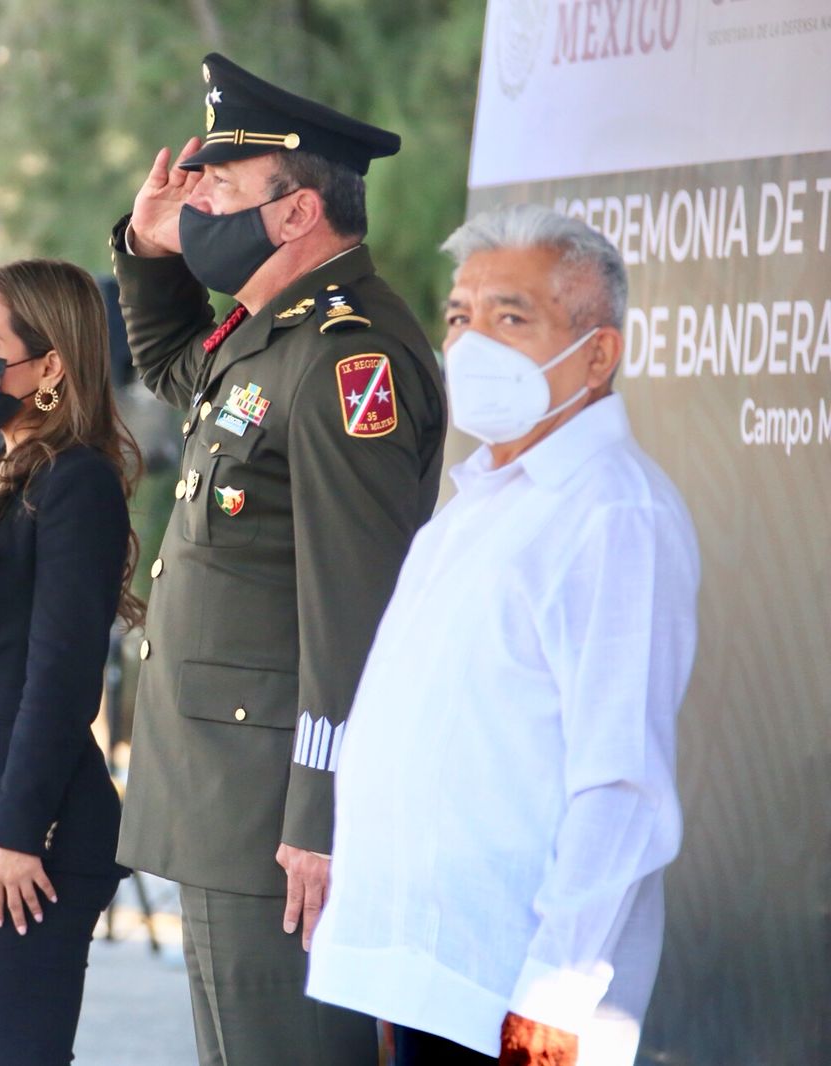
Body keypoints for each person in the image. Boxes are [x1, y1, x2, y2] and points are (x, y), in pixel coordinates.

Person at [111, 53, 447, 1066]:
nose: (196, 200)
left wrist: (322, 813)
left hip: (275, 812)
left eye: (220, 187)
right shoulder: (270, 335)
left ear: (297, 212)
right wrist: (144, 245)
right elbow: (175, 366)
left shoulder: (353, 358)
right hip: (227, 798)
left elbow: (356, 612)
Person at [308, 205, 701, 1066]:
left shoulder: (613, 514)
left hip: (520, 1004)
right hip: (434, 978)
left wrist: (553, 1003)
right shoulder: (482, 501)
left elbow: (622, 787)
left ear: (598, 354)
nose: (471, 341)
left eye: (510, 317)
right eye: (460, 316)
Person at [0, 259, 140, 1066]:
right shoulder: (7, 472)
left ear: (49, 366)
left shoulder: (76, 481)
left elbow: (63, 677)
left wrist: (15, 828)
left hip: (23, 839)